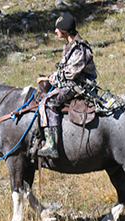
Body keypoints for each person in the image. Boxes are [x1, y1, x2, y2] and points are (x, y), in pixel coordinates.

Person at [37, 12, 97, 159]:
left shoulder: (80, 48)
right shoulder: (69, 46)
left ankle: (52, 145)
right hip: (71, 83)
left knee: (49, 101)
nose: (55, 31)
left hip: (79, 87)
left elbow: (70, 74)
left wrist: (49, 78)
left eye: (57, 28)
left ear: (64, 30)